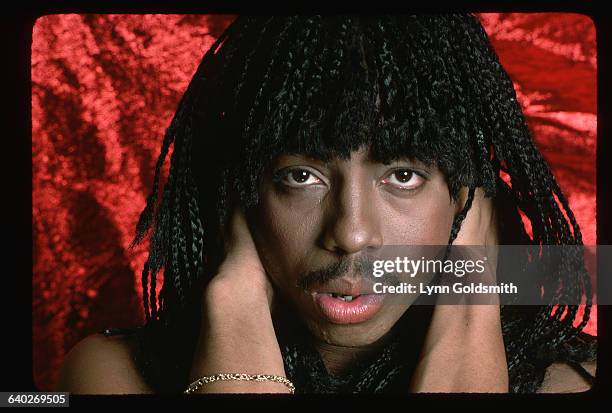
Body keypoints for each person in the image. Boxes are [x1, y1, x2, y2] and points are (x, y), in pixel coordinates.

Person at [56, 14, 596, 394]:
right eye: (301, 175)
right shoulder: (113, 377)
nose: (352, 232)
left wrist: (469, 309)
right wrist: (235, 305)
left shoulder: (571, 384)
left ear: (464, 196)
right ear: (243, 194)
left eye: (402, 175)